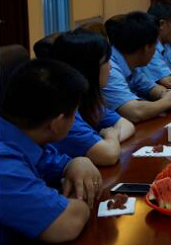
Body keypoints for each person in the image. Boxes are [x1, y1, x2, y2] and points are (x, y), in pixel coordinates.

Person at [0, 59, 102, 245]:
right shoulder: (2, 164)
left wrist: (78, 161)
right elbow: (67, 224)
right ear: (57, 123)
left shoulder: (21, 134)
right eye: (75, 114)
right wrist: (79, 198)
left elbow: (52, 162)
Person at [49, 30, 135, 166]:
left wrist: (108, 142)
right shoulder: (62, 109)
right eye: (106, 61)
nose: (110, 67)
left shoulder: (85, 98)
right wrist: (110, 136)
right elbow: (108, 155)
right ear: (88, 68)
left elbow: (126, 125)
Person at [102, 12, 171, 123]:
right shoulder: (109, 68)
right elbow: (134, 112)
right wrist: (167, 102)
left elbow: (151, 88)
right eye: (155, 46)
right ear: (146, 48)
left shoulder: (131, 62)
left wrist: (168, 95)